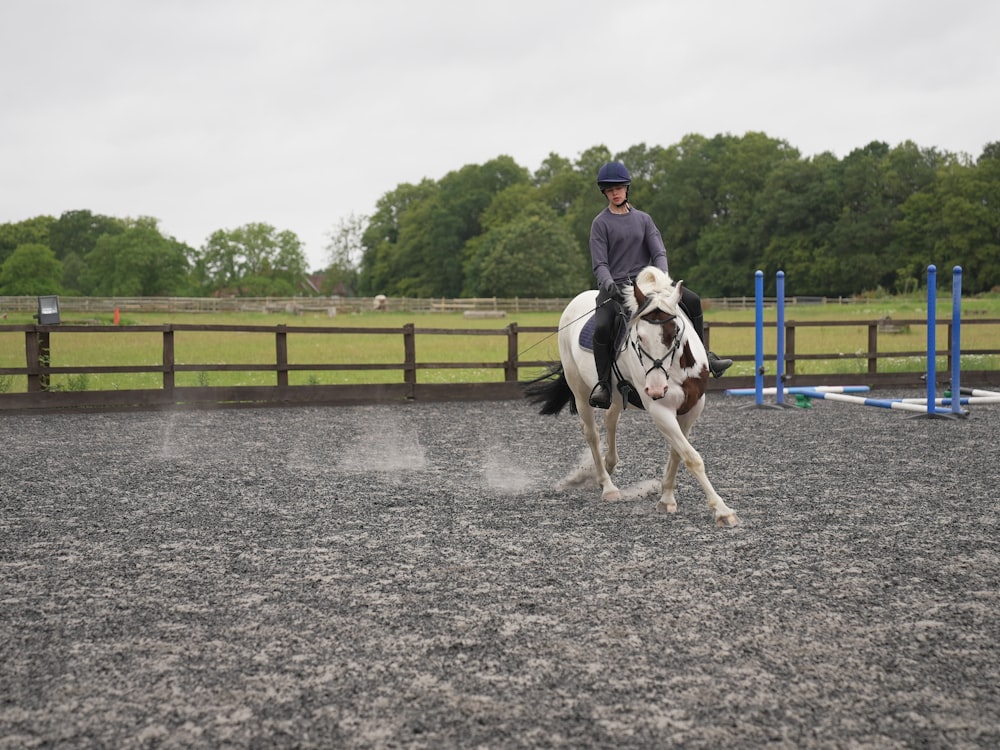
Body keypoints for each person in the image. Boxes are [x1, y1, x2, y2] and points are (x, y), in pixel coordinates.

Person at [588, 161, 732, 409]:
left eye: (619, 188)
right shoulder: (600, 224)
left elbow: (659, 252)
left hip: (649, 286)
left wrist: (662, 278)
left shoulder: (644, 220)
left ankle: (706, 355)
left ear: (627, 188)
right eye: (610, 190)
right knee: (601, 326)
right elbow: (600, 262)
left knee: (693, 300)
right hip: (616, 287)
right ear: (605, 193)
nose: (615, 192)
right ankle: (603, 384)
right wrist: (608, 282)